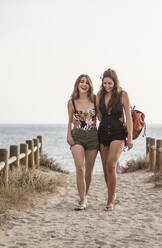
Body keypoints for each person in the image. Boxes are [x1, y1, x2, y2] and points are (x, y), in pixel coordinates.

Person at [96, 68, 133, 211]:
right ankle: (113, 195)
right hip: (103, 133)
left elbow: (128, 117)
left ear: (115, 82)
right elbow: (99, 117)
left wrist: (129, 138)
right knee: (106, 169)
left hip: (118, 134)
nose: (107, 86)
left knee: (111, 165)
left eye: (110, 83)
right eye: (105, 83)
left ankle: (110, 201)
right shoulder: (99, 95)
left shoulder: (123, 95)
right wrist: (108, 115)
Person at [67, 74, 99, 210]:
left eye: (86, 82)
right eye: (81, 82)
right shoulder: (72, 102)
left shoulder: (95, 99)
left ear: (90, 85)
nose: (84, 84)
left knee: (89, 171)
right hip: (77, 136)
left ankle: (84, 197)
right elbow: (69, 121)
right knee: (80, 168)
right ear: (77, 84)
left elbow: (101, 118)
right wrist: (68, 135)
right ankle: (83, 200)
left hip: (92, 136)